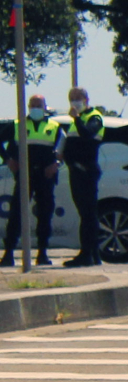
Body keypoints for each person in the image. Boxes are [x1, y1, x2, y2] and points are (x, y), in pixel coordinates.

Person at [6, 93, 63, 263]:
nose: (35, 108)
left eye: (39, 105)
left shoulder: (55, 126)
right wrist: (9, 160)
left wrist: (56, 165)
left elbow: (63, 150)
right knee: (16, 213)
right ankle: (8, 253)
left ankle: (42, 253)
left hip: (45, 176)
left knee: (45, 214)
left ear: (45, 107)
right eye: (33, 105)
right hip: (25, 175)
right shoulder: (18, 125)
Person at [59, 88, 109, 266]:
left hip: (86, 170)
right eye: (71, 98)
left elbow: (87, 134)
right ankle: (92, 253)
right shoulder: (75, 120)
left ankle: (88, 254)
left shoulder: (93, 117)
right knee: (85, 214)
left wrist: (77, 119)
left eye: (77, 98)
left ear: (86, 99)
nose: (74, 102)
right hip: (75, 171)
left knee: (88, 214)